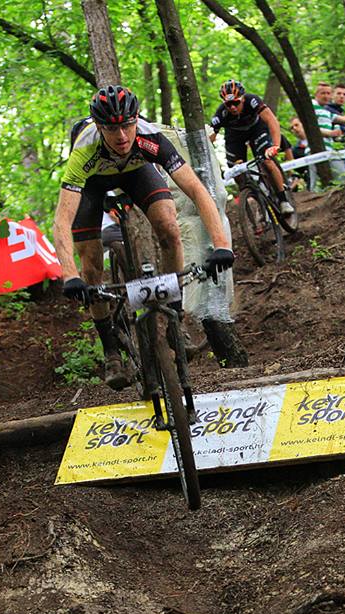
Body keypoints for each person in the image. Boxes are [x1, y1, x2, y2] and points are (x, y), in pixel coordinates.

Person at [52, 85, 233, 389]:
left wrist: (222, 245)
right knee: (91, 262)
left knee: (170, 228)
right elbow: (61, 219)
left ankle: (175, 319)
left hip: (137, 171)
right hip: (93, 184)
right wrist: (69, 275)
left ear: (136, 120)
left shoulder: (150, 138)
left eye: (127, 125)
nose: (121, 136)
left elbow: (197, 191)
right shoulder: (84, 149)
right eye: (112, 128)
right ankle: (110, 348)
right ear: (99, 126)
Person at [208, 80, 294, 215]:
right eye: (228, 104)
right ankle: (255, 200)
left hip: (257, 130)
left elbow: (271, 120)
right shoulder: (221, 114)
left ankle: (283, 200)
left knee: (267, 161)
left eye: (236, 103)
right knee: (236, 171)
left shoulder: (252, 101)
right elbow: (210, 138)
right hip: (235, 136)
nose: (233, 108)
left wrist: (275, 146)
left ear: (242, 99)